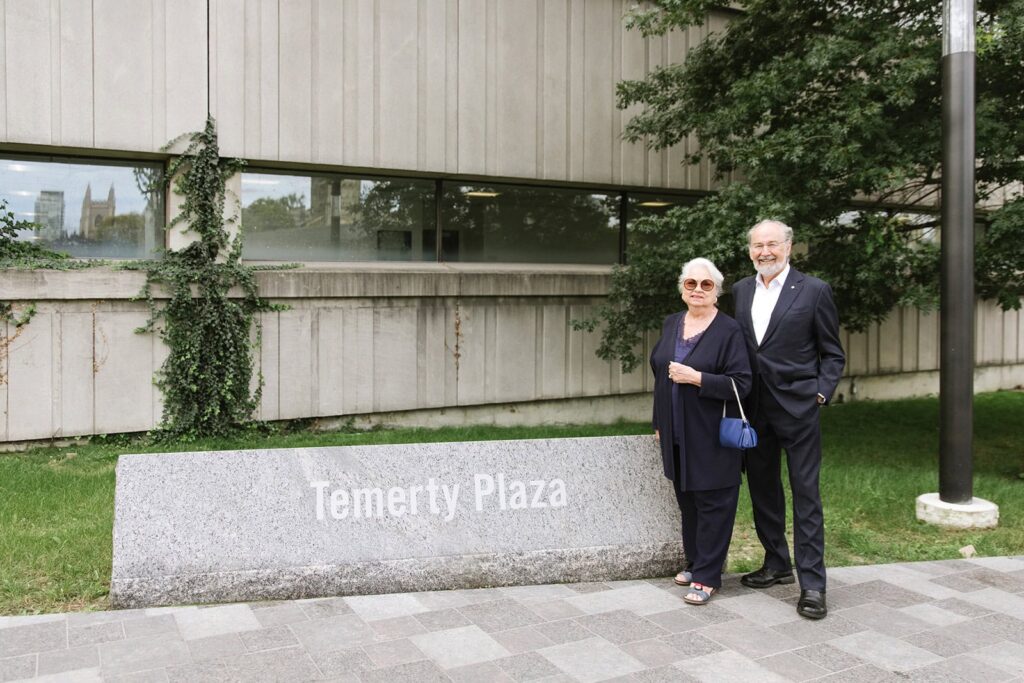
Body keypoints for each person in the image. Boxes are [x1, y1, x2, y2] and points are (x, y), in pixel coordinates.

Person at [732, 219, 845, 620]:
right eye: (758, 245)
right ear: (749, 251)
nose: (765, 251)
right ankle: (777, 562)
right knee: (763, 490)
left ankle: (812, 584)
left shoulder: (814, 291)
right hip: (753, 410)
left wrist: (820, 392)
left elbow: (833, 353)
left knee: (806, 494)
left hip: (798, 409)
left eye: (773, 244)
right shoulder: (740, 290)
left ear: (789, 248)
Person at [650, 257, 752, 605]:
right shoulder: (671, 323)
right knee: (688, 501)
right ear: (682, 289)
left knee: (714, 503)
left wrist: (697, 378)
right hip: (676, 431)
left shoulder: (728, 330)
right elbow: (658, 376)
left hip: (711, 433)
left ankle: (709, 575)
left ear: (716, 292)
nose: (697, 290)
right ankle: (696, 563)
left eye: (705, 285)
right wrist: (659, 422)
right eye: (690, 284)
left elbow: (742, 383)